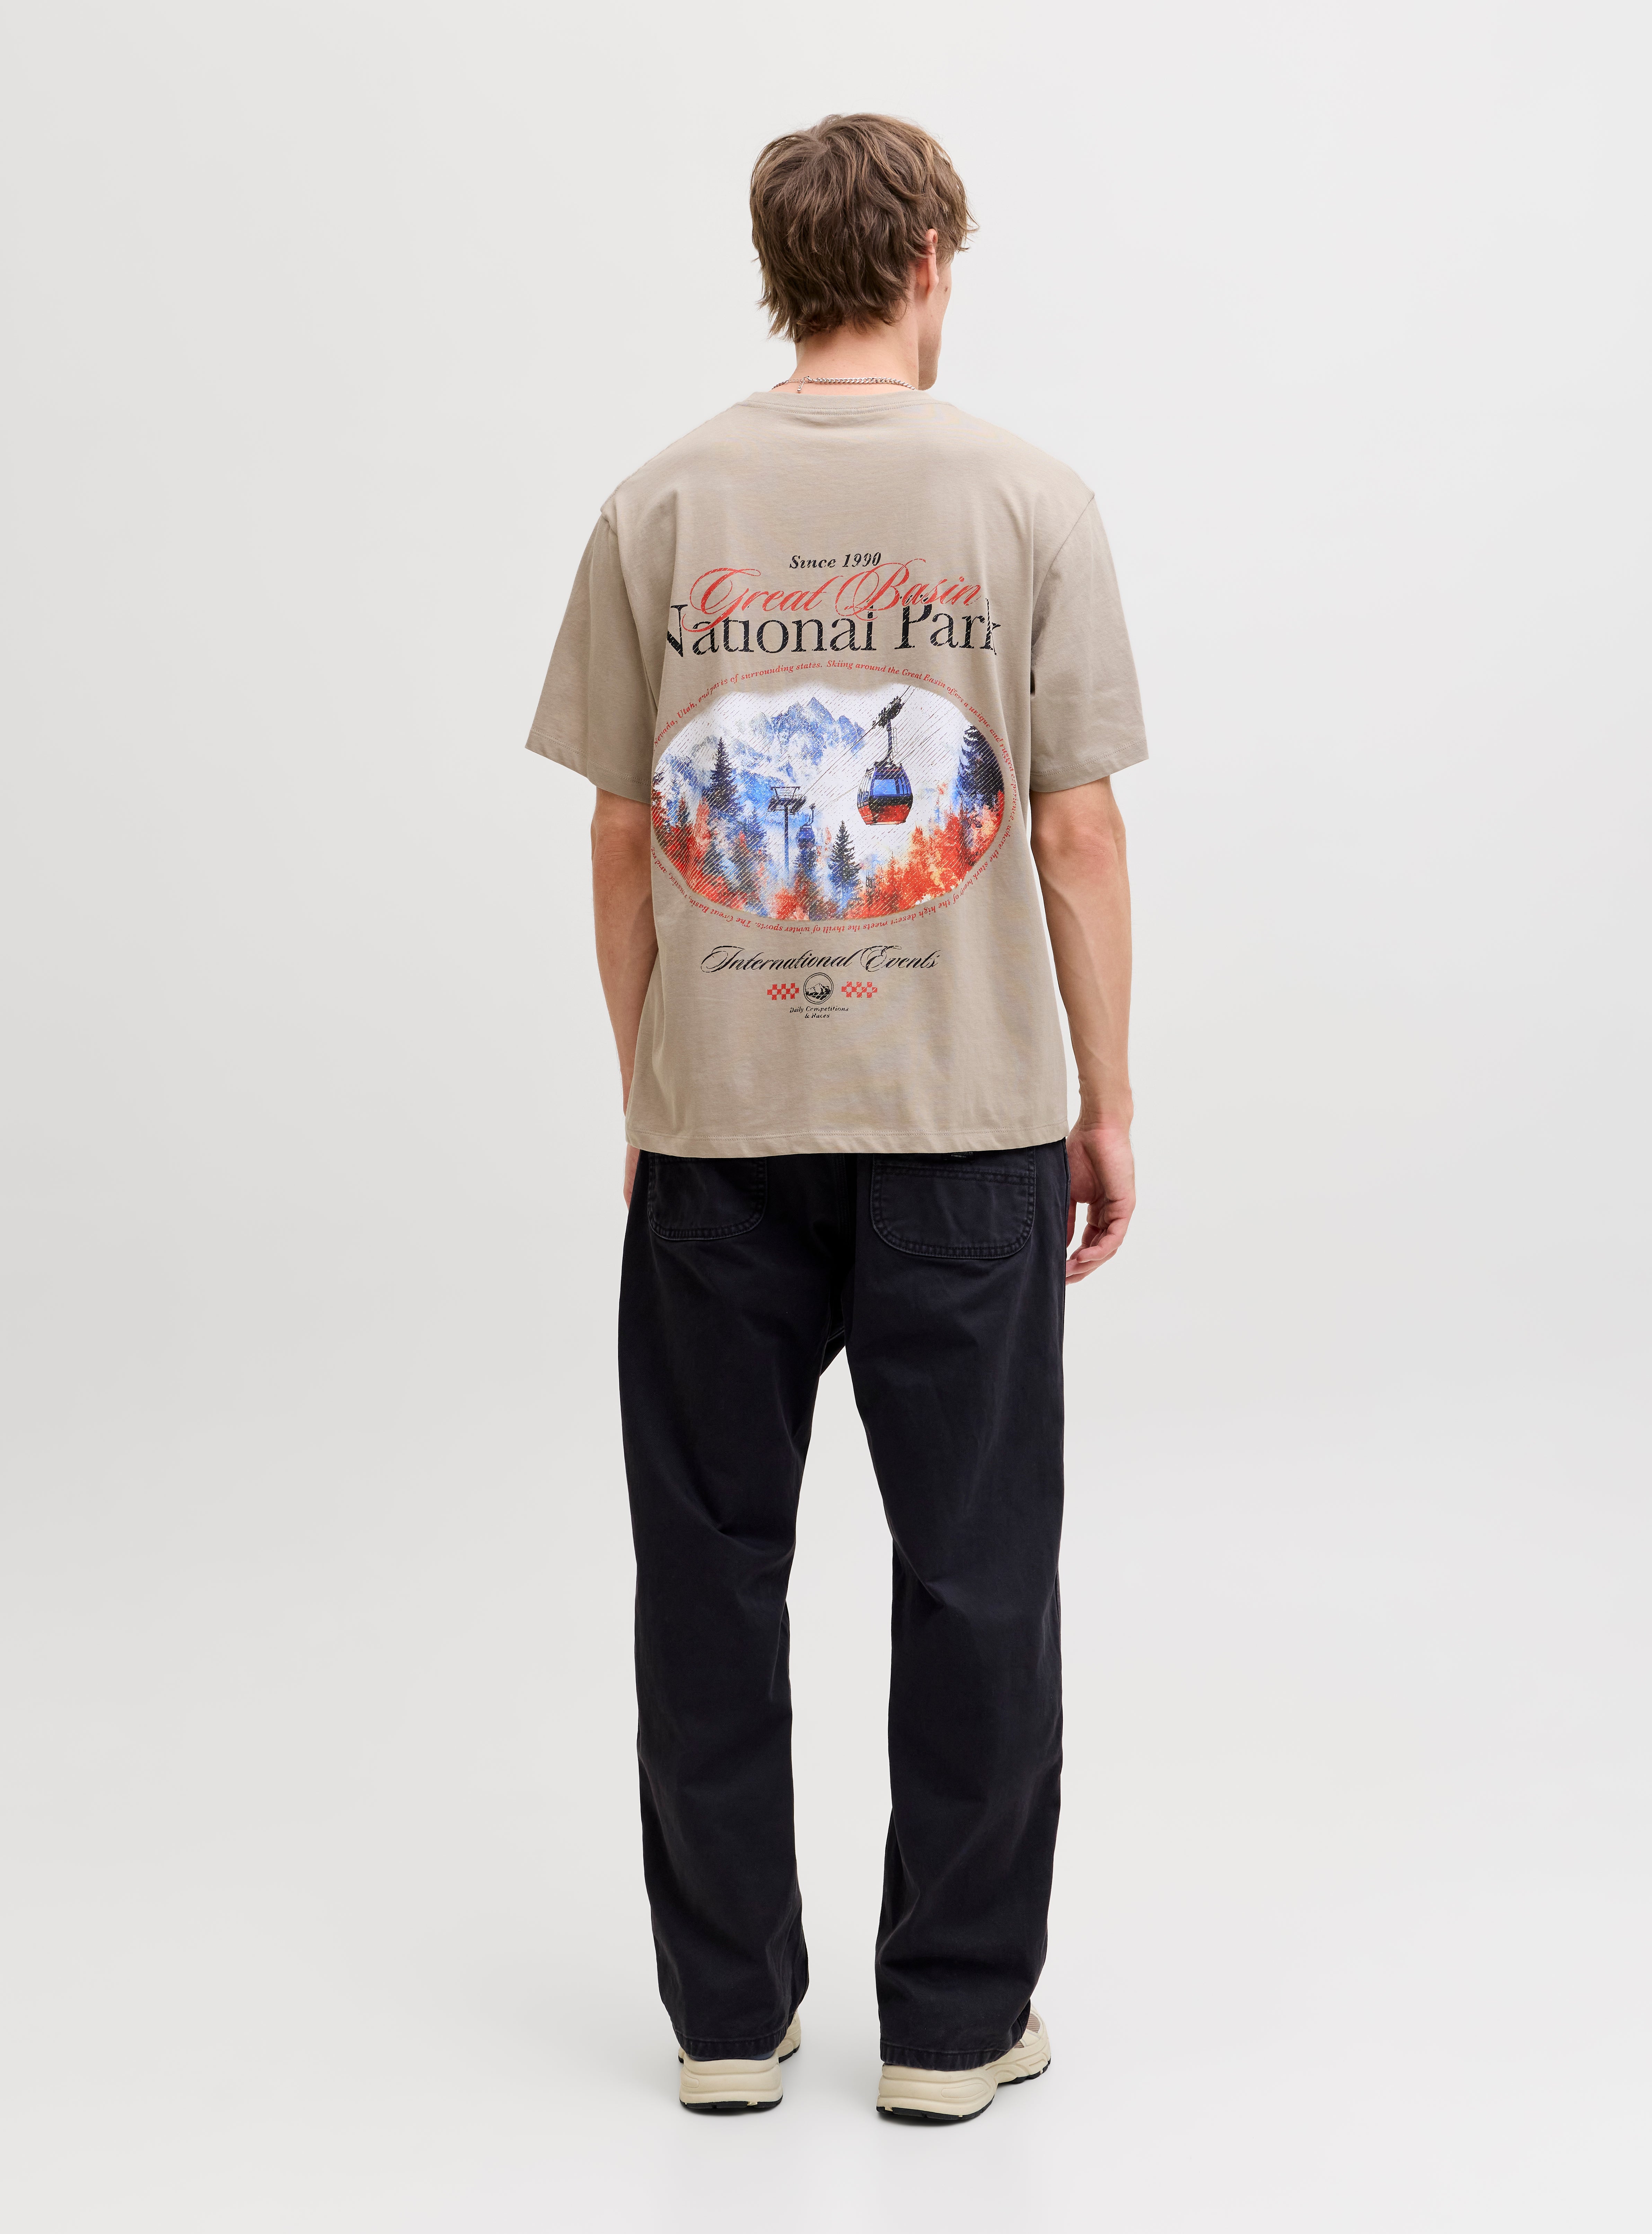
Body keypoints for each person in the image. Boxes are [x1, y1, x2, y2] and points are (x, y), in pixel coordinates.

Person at [526, 113, 1146, 2122]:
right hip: (964, 1120)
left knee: (709, 1570)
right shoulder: (1029, 499)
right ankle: (953, 2031)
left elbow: (621, 836)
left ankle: (727, 2020)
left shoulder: (656, 502)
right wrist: (1106, 1098)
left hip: (720, 1131)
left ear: (777, 268)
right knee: (977, 1572)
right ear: (931, 260)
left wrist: (651, 1079)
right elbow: (1073, 832)